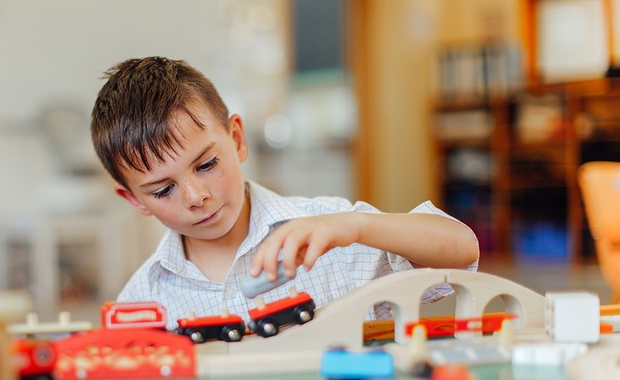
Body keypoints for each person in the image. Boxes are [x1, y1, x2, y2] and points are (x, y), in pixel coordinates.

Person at [90, 56, 480, 329]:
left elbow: (462, 249)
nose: (194, 196)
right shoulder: (141, 300)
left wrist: (357, 225)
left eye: (206, 165)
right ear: (135, 200)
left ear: (237, 139)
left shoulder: (331, 232)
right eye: (163, 190)